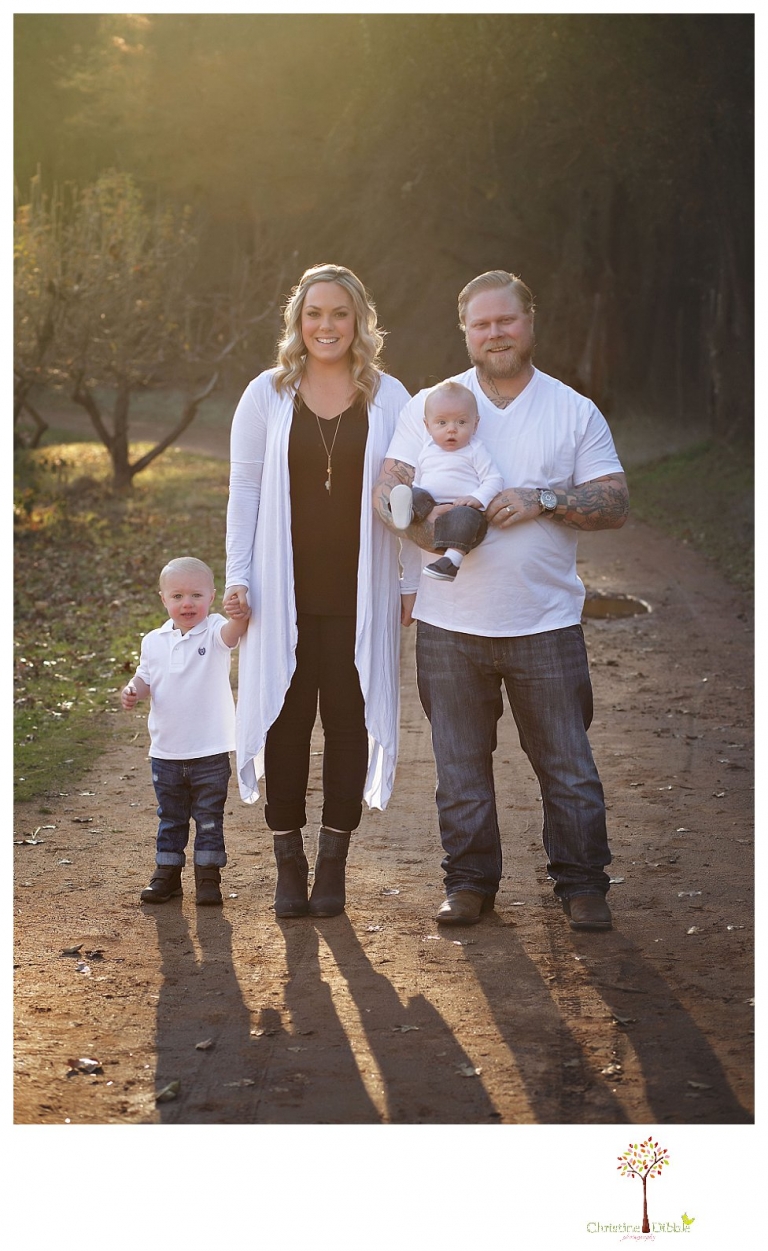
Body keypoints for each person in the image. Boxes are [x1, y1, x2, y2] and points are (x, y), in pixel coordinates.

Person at [373, 270, 629, 931]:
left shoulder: (571, 410)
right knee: (459, 765)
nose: (494, 333)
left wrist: (545, 498)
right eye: (481, 323)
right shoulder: (433, 403)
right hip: (448, 626)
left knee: (567, 764)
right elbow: (387, 489)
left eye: (505, 320)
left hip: (543, 622)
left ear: (530, 321)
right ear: (465, 330)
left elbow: (616, 501)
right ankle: (468, 884)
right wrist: (427, 525)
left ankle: (582, 886)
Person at [223, 263, 414, 920]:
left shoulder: (391, 397)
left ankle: (333, 864)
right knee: (284, 719)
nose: (326, 325)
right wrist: (238, 577)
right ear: (297, 323)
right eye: (314, 313)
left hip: (361, 591)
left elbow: (409, 493)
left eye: (339, 313)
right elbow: (244, 492)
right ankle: (289, 861)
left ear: (359, 320)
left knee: (348, 723)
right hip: (282, 593)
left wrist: (410, 579)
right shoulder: (266, 395)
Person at [120, 557, 250, 906]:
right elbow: (145, 677)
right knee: (171, 818)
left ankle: (208, 877)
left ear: (211, 596)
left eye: (196, 594)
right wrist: (133, 690)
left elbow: (234, 632)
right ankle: (167, 874)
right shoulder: (154, 640)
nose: (187, 603)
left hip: (210, 750)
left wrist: (239, 612)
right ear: (163, 599)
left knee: (209, 818)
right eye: (177, 596)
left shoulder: (215, 630)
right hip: (166, 753)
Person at [388, 380, 504, 582]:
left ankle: (450, 561)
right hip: (431, 505)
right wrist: (420, 502)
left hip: (461, 507)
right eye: (442, 423)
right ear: (427, 426)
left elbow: (494, 479)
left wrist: (477, 498)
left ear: (475, 424)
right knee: (414, 493)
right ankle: (407, 512)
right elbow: (420, 480)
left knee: (466, 518)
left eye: (461, 422)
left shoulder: (475, 450)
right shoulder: (427, 450)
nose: (452, 429)